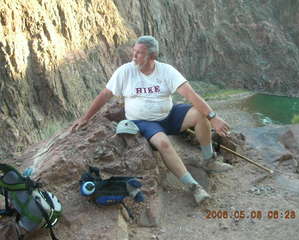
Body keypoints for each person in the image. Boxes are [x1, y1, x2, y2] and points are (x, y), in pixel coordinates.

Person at [71, 35, 233, 205]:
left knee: (201, 114)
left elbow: (191, 94)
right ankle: (193, 186)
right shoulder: (125, 71)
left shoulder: (166, 71)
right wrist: (85, 118)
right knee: (163, 143)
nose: (134, 56)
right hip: (144, 122)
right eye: (134, 52)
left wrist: (213, 117)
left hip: (169, 115)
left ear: (152, 56)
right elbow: (105, 94)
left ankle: (209, 160)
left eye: (140, 53)